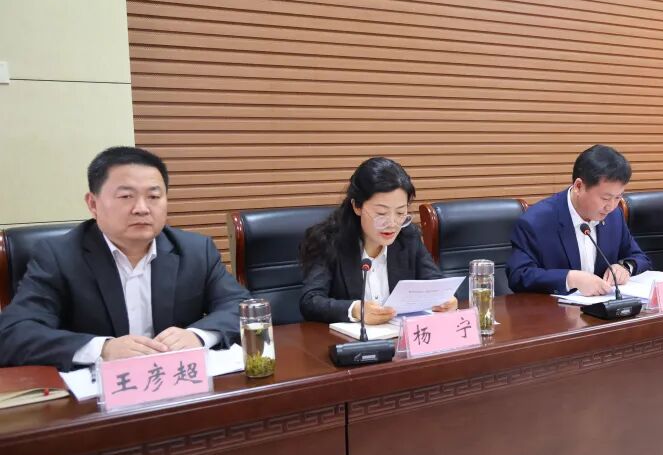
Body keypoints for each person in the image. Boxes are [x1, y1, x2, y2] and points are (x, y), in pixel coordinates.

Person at [0, 146, 249, 370]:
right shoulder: (58, 256)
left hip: (176, 386)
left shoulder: (195, 250)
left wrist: (198, 336)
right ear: (93, 204)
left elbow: (242, 307)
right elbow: (13, 333)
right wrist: (102, 349)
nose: (141, 208)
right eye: (126, 196)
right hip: (97, 395)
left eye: (153, 196)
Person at [299, 157, 456, 324]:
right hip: (349, 339)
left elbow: (434, 281)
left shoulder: (408, 236)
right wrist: (355, 309)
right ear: (357, 206)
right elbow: (310, 301)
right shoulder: (328, 240)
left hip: (398, 336)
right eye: (381, 213)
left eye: (400, 213)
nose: (392, 224)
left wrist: (445, 299)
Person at [507, 144, 650, 296]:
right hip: (556, 309)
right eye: (605, 198)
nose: (611, 206)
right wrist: (570, 278)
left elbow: (640, 257)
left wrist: (625, 267)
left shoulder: (614, 216)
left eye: (618, 197)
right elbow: (518, 276)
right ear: (578, 186)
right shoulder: (536, 221)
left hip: (604, 307)